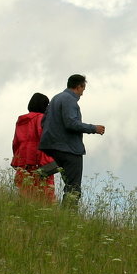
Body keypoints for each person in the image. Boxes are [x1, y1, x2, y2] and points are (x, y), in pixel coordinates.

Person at [39, 74, 105, 208]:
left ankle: (39, 173)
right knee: (73, 188)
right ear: (79, 86)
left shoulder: (56, 98)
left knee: (60, 169)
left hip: (52, 146)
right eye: (83, 89)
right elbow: (71, 123)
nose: (82, 93)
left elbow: (43, 122)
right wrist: (94, 128)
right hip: (69, 148)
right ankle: (68, 216)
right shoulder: (69, 100)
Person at [11, 92, 56, 203]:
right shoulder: (42, 118)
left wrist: (17, 159)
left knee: (25, 194)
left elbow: (15, 142)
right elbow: (46, 140)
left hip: (23, 162)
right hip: (39, 161)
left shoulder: (21, 121)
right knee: (45, 195)